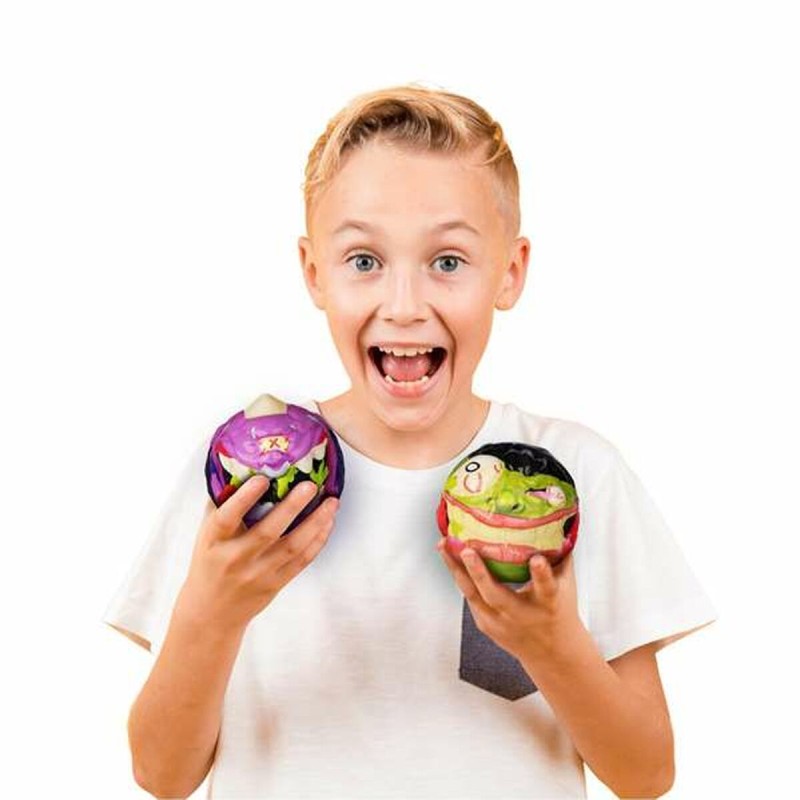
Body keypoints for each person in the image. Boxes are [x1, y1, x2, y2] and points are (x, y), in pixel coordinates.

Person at [103, 83, 718, 799]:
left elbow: (647, 775)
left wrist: (554, 648)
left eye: (447, 261)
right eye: (364, 260)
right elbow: (162, 774)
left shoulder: (573, 476)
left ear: (510, 272)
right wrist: (212, 612)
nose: (403, 306)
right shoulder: (241, 478)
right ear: (314, 273)